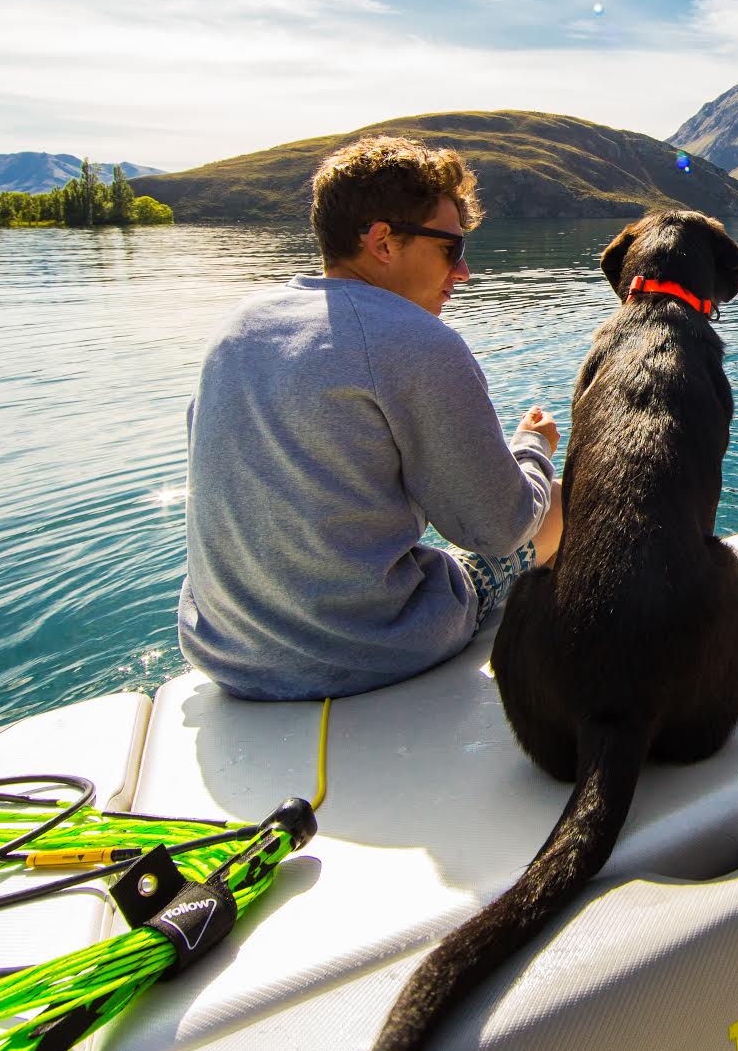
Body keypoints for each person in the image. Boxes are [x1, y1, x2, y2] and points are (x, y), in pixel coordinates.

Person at [176, 135, 563, 700]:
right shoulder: (419, 342)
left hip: (226, 651)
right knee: (559, 503)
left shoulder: (236, 328)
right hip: (374, 649)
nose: (464, 272)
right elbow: (500, 528)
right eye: (451, 248)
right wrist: (532, 449)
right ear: (383, 241)